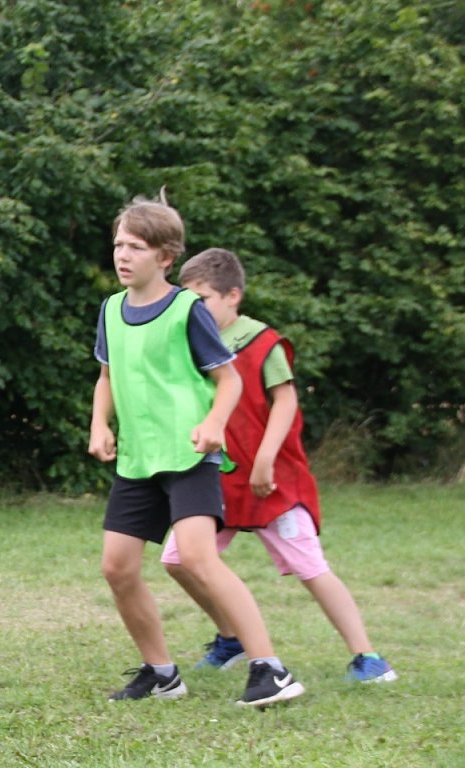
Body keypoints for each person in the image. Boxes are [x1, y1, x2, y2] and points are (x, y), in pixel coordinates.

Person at [88, 195, 305, 707]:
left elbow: (229, 379)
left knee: (199, 559)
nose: (122, 255)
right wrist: (99, 423)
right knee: (117, 568)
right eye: (118, 244)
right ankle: (162, 674)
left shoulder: (187, 309)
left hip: (189, 455)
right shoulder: (111, 310)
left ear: (165, 257)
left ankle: (270, 669)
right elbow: (107, 376)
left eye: (136, 247)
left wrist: (213, 423)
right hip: (138, 459)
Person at [160, 247, 397, 684]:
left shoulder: (262, 342)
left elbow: (285, 401)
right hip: (218, 480)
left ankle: (368, 658)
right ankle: (231, 638)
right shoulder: (193, 345)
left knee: (310, 567)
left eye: (203, 299)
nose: (195, 309)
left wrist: (266, 459)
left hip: (273, 482)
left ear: (233, 296)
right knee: (177, 559)